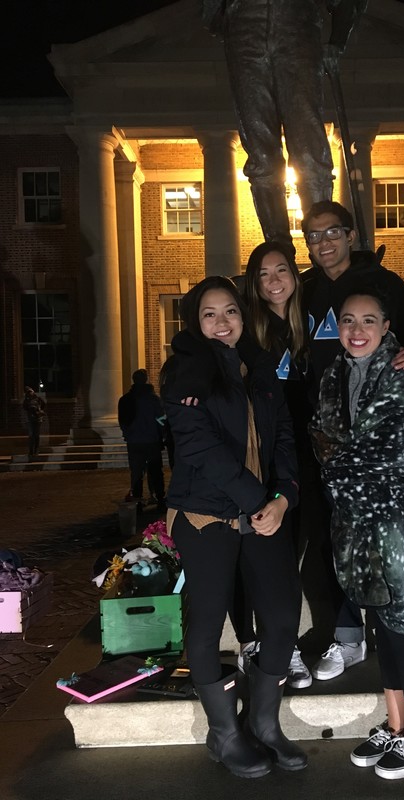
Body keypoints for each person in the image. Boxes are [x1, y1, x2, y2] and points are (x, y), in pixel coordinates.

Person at [160, 276, 306, 778]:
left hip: (265, 511)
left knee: (284, 617)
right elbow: (199, 449)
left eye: (230, 313)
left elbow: (285, 434)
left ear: (244, 317)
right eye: (209, 314)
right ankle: (223, 733)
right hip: (205, 514)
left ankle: (264, 723)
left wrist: (284, 496)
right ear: (195, 322)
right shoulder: (184, 372)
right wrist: (257, 499)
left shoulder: (260, 367)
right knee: (206, 625)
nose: (222, 323)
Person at [300, 199, 404, 680]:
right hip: (323, 432)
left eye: (333, 232)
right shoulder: (304, 290)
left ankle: (380, 642)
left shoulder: (383, 285)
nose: (324, 243)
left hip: (377, 448)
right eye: (314, 235)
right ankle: (346, 636)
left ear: (350, 235)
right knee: (334, 540)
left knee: (381, 549)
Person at [310, 288, 404, 780]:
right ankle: (395, 725)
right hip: (362, 512)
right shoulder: (334, 374)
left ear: (387, 327)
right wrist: (337, 462)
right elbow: (321, 435)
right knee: (381, 623)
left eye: (368, 321)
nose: (356, 330)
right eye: (348, 320)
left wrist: (337, 464)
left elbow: (385, 447)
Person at [203, 1, 366, 249]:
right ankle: (279, 250)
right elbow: (211, 15)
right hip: (245, 30)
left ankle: (322, 246)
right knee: (262, 156)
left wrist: (337, 40)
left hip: (297, 27)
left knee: (309, 150)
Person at [235, 240, 315, 689]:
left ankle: (285, 640)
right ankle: (268, 643)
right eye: (263, 274)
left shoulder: (315, 323)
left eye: (281, 270)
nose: (273, 281)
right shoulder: (249, 330)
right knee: (269, 551)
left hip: (312, 454)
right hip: (266, 454)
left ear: (294, 274)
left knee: (299, 550)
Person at [118, 369, 167, 513]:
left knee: (136, 472)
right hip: (151, 440)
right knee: (156, 471)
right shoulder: (153, 399)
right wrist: (162, 433)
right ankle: (159, 498)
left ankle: (138, 501)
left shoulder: (125, 399)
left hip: (134, 441)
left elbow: (122, 421)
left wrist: (128, 433)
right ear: (145, 380)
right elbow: (161, 419)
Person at [22, 386, 46, 457]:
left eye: (30, 391)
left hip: (38, 419)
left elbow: (44, 404)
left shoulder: (38, 399)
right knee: (31, 435)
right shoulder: (27, 400)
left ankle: (36, 450)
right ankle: (31, 451)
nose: (30, 393)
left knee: (36, 435)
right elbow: (25, 407)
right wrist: (26, 399)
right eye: (28, 392)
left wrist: (40, 411)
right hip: (30, 420)